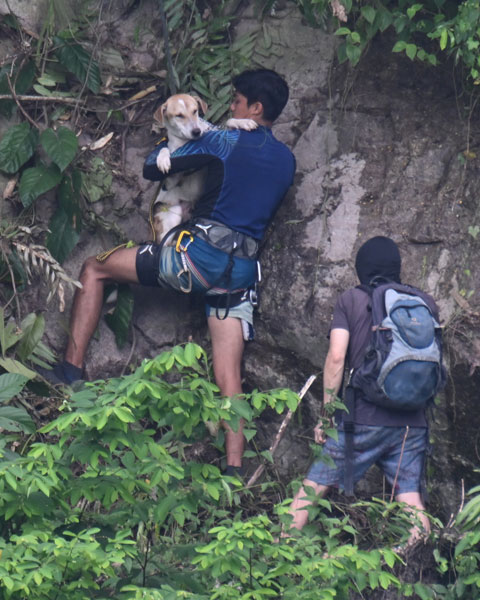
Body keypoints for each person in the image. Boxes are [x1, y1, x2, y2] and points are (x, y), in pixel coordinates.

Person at [40, 69, 296, 476]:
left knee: (94, 269)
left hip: (195, 259)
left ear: (256, 107)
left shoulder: (224, 140)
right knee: (228, 373)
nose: (231, 106)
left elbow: (152, 168)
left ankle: (69, 372)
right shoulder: (287, 159)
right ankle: (234, 470)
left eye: (237, 100)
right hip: (240, 275)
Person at [286, 236, 438, 545]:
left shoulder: (351, 300)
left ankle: (277, 553)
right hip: (413, 422)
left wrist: (327, 414)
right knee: (409, 496)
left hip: (362, 419)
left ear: (361, 268)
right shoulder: (424, 303)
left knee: (313, 486)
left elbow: (337, 356)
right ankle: (416, 566)